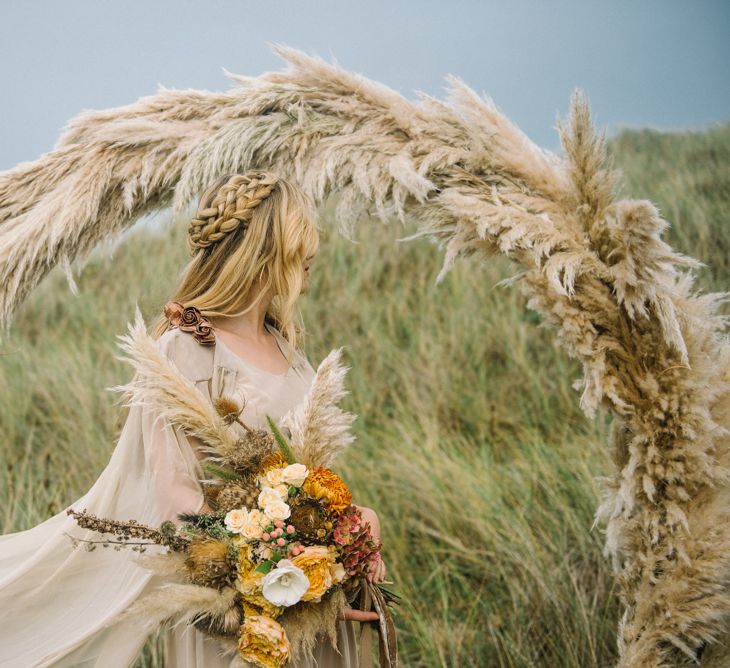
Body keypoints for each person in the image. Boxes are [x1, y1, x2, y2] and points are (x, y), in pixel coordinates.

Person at [0, 170, 385, 667]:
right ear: (269, 251)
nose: (313, 256)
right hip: (241, 613)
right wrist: (272, 576)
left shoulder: (289, 349)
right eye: (302, 242)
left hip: (319, 603)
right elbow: (177, 499)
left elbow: (305, 481)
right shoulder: (186, 348)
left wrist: (355, 523)